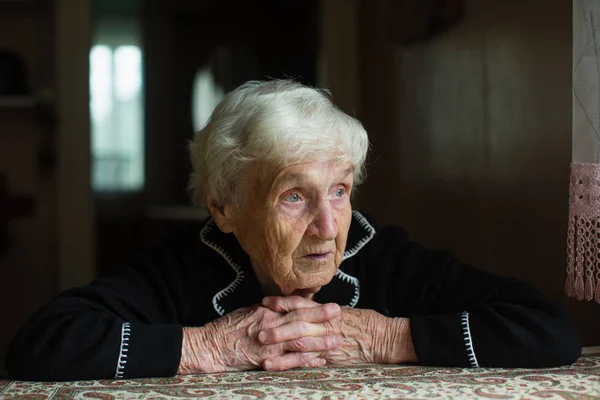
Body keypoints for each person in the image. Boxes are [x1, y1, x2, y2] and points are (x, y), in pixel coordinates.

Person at [6, 80, 581, 381]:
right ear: (223, 207)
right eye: (293, 196)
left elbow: (549, 332)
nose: (329, 227)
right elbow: (41, 346)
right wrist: (207, 346)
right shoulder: (186, 264)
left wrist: (388, 339)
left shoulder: (378, 254)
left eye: (340, 189)